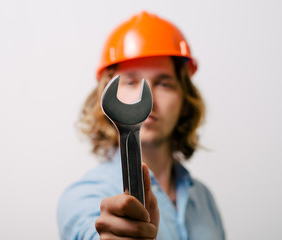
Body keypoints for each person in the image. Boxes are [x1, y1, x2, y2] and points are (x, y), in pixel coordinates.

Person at [57, 11, 225, 240]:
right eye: (130, 81)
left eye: (164, 84)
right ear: (105, 94)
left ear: (185, 99)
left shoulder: (204, 199)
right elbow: (90, 232)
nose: (150, 99)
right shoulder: (84, 196)